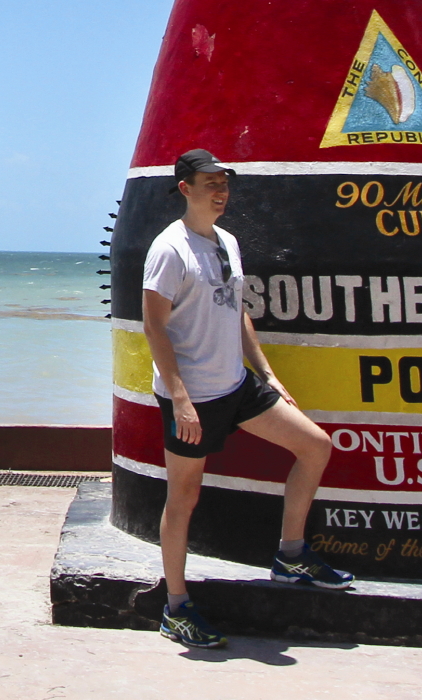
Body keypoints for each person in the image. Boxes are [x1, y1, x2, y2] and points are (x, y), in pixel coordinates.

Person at [143, 148, 353, 649]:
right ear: (185, 189)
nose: (221, 192)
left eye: (225, 183)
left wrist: (267, 374)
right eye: (210, 183)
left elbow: (236, 309)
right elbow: (154, 327)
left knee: (315, 446)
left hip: (237, 385)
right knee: (183, 499)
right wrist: (180, 399)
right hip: (193, 397)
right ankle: (176, 607)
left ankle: (290, 555)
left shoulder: (229, 242)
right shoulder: (169, 250)